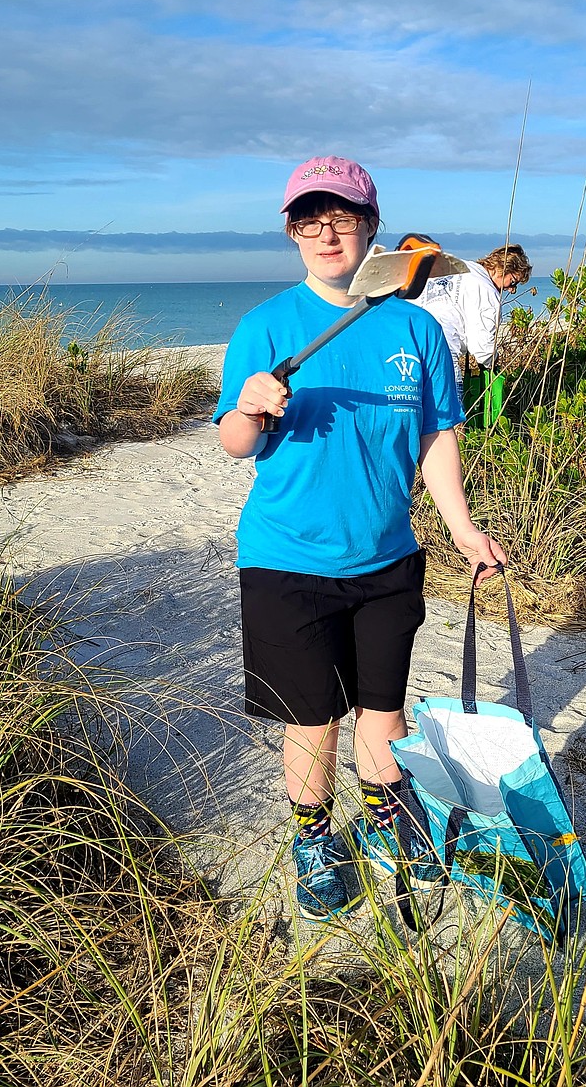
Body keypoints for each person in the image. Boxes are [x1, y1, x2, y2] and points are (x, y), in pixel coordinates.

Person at [214, 155, 507, 921]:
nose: (327, 232)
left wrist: (463, 527)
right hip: (287, 560)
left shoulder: (415, 327)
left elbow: (437, 436)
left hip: (388, 557)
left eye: (342, 216)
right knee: (314, 720)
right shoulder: (266, 327)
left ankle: (385, 820)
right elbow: (234, 444)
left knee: (384, 710)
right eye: (309, 219)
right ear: (292, 233)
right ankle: (314, 838)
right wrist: (251, 406)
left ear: (371, 226)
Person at [408, 242, 533, 400]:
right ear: (503, 268)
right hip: (441, 355)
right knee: (448, 420)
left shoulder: (459, 266)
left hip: (406, 347)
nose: (512, 289)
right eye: (513, 281)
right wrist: (495, 362)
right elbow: (483, 349)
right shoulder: (487, 292)